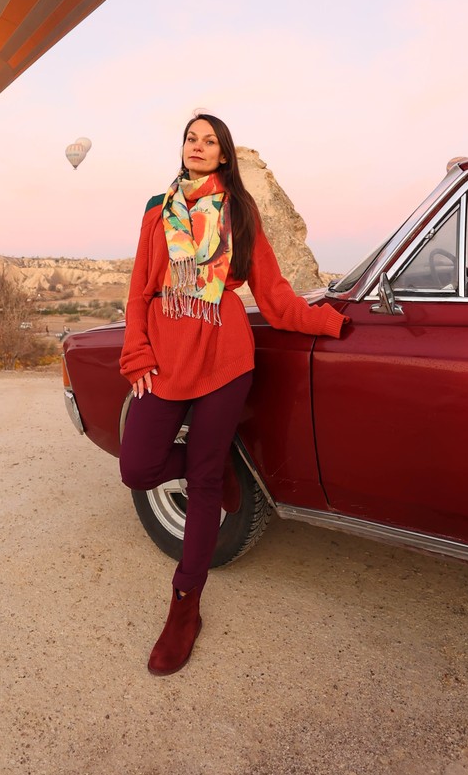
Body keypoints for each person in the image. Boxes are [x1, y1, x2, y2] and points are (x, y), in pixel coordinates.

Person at [119, 113, 348, 676]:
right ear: (183, 149)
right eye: (191, 139)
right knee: (137, 465)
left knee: (197, 483)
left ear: (223, 156)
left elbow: (272, 295)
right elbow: (139, 291)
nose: (199, 147)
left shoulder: (240, 212)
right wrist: (137, 354)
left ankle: (184, 608)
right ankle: (216, 469)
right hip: (166, 358)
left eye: (210, 141)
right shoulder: (157, 210)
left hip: (225, 358)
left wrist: (331, 324)